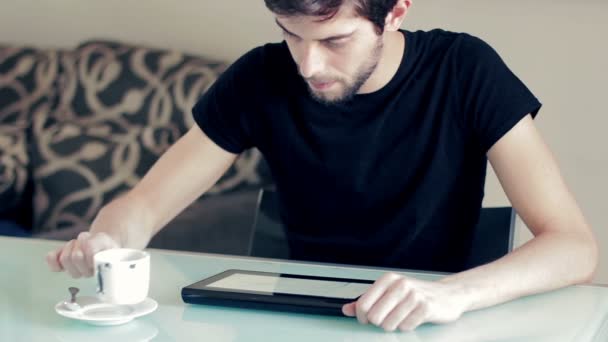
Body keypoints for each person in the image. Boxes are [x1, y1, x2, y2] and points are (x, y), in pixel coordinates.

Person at [46, 0, 598, 332]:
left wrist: (452, 294)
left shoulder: (465, 69)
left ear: (396, 11)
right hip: (299, 322)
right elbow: (144, 205)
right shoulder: (260, 80)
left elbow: (574, 247)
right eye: (291, 35)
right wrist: (105, 239)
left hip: (433, 320)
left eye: (335, 40)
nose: (309, 65)